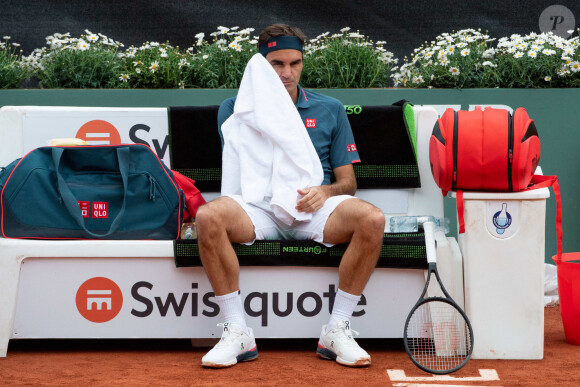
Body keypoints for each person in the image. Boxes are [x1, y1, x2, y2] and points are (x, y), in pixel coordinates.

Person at [196, 23, 385, 368]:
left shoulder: (330, 109)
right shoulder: (235, 109)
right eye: (276, 64)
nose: (287, 73)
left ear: (302, 62)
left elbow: (348, 182)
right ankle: (237, 330)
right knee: (208, 217)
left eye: (294, 63)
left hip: (316, 208)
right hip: (259, 209)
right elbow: (246, 174)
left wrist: (324, 190)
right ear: (260, 64)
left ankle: (337, 330)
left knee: (372, 219)